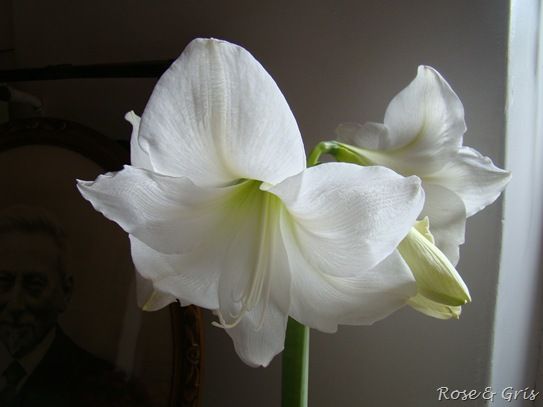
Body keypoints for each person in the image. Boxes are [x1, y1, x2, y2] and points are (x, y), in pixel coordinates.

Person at [0, 206, 150, 407]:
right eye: (4, 282)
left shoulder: (106, 389)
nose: (15, 304)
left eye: (34, 285)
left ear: (66, 291)